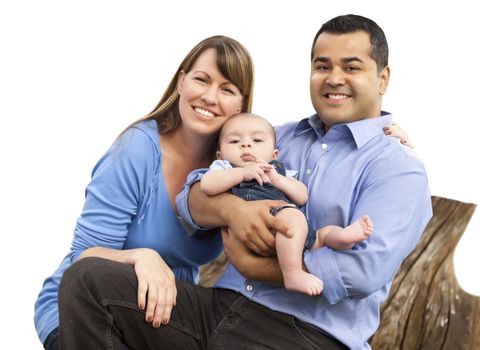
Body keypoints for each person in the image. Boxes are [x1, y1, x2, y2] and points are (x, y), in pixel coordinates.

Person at [57, 14, 431, 350]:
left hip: (304, 333)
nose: (334, 78)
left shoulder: (397, 170)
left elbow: (362, 272)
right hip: (219, 309)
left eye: (352, 67)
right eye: (322, 66)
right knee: (90, 281)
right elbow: (191, 198)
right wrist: (232, 210)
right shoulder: (276, 138)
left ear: (383, 78)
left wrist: (257, 267)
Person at [33, 35, 255, 350]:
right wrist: (141, 257)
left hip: (159, 314)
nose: (209, 97)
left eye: (227, 89)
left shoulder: (233, 169)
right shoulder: (137, 149)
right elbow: (83, 256)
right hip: (81, 308)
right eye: (201, 80)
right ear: (181, 82)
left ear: (241, 104)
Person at [201, 112, 373, 296]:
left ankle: (341, 238)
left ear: (274, 154)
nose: (246, 144)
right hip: (264, 226)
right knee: (293, 217)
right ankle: (293, 272)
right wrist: (242, 174)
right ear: (220, 155)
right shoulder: (224, 168)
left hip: (291, 234)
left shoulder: (275, 171)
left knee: (322, 234)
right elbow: (207, 185)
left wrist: (277, 179)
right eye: (234, 141)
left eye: (257, 140)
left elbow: (302, 196)